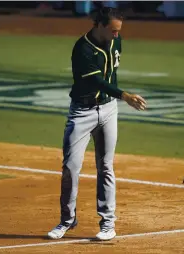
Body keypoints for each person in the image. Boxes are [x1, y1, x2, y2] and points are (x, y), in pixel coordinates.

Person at [47, 7, 147, 241]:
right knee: (71, 167)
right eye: (113, 30)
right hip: (82, 113)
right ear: (99, 25)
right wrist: (125, 95)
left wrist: (118, 98)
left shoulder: (116, 40)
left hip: (109, 110)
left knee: (106, 166)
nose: (116, 35)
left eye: (118, 31)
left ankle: (108, 223)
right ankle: (67, 220)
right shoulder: (82, 49)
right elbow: (96, 81)